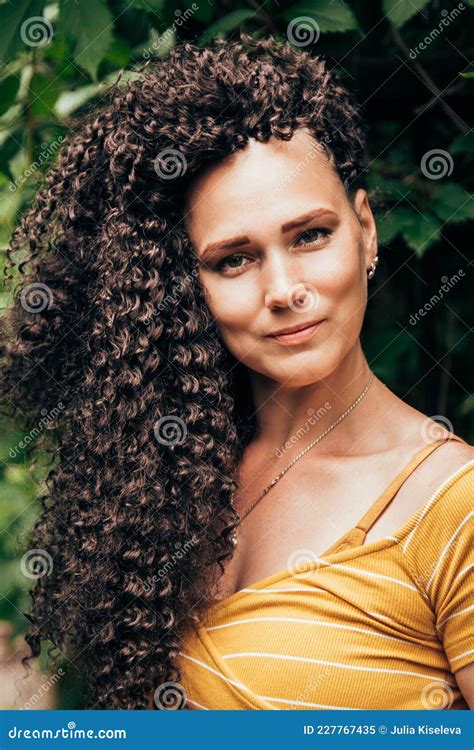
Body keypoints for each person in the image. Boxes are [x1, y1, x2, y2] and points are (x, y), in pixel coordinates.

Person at [0, 35, 472, 712]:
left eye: (310, 235)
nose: (284, 289)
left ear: (365, 231)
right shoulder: (169, 481)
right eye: (233, 260)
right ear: (187, 286)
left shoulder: (452, 504)